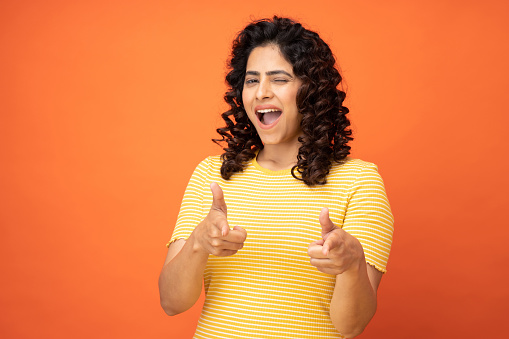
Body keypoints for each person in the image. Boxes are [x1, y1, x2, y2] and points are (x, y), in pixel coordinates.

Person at [158, 16, 394, 339]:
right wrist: (199, 242)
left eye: (279, 79)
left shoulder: (359, 182)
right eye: (252, 80)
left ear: (310, 91)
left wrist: (352, 266)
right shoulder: (211, 175)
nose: (261, 93)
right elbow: (171, 302)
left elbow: (351, 326)